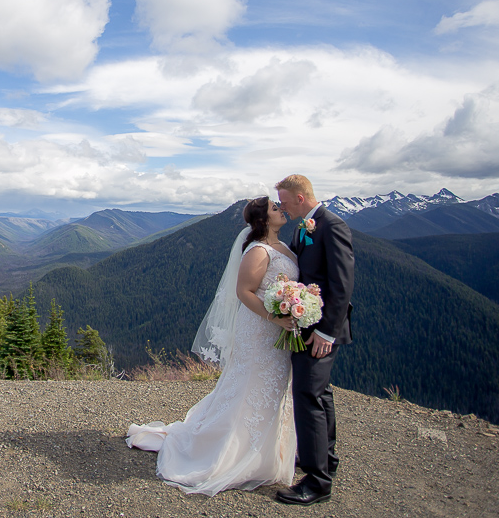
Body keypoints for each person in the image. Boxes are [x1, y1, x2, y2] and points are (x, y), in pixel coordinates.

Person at [126, 196, 299, 496]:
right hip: (260, 329)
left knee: (273, 386)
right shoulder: (257, 251)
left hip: (278, 330)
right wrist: (275, 316)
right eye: (274, 208)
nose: (280, 209)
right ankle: (233, 450)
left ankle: (269, 452)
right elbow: (243, 291)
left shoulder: (285, 247)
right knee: (251, 385)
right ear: (263, 220)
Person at [273, 174, 354, 506]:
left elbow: (342, 283)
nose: (282, 206)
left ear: (301, 198)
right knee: (321, 394)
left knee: (306, 395)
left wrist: (326, 332)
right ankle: (327, 460)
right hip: (305, 326)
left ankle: (317, 481)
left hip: (320, 330)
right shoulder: (302, 226)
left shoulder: (332, 226)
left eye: (285, 201)